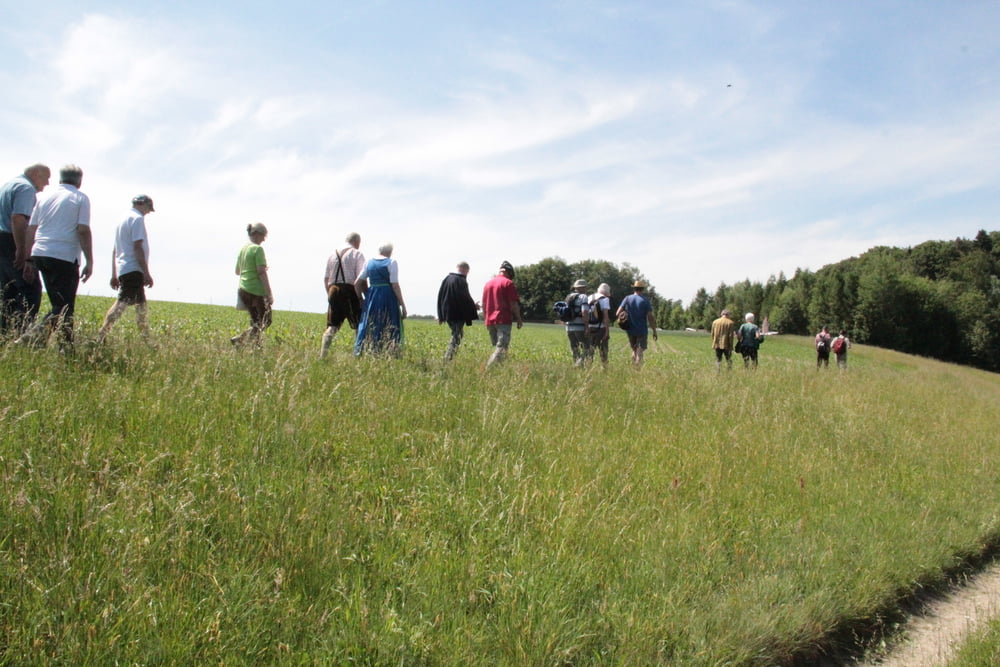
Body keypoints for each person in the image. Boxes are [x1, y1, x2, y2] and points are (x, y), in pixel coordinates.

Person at [16, 165, 92, 350]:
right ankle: (34, 339)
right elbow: (82, 230)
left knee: (59, 305)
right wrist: (89, 260)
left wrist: (28, 259)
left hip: (40, 253)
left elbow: (31, 229)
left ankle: (54, 346)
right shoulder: (80, 198)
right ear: (79, 181)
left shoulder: (44, 197)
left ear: (60, 179)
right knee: (65, 306)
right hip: (63, 256)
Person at [95, 195, 156, 343]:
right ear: (143, 205)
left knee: (141, 305)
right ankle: (100, 336)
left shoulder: (122, 219)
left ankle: (147, 340)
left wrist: (114, 274)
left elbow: (115, 250)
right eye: (148, 209)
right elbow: (137, 247)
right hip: (133, 268)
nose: (148, 212)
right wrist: (146, 272)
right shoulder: (137, 219)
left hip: (124, 268)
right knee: (121, 304)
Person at [0, 163, 49, 337]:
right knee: (31, 289)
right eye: (46, 178)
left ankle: (5, 334)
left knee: (8, 290)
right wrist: (22, 249)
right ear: (36, 174)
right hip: (12, 240)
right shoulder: (26, 189)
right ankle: (22, 336)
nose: (48, 183)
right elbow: (18, 219)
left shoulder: (9, 184)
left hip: (2, 240)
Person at [354, 242, 407, 357]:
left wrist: (359, 298)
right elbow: (395, 285)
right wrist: (403, 304)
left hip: (372, 296)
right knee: (389, 323)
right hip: (388, 296)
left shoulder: (369, 262)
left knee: (370, 323)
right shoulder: (392, 262)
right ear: (390, 252)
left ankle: (364, 351)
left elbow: (357, 283)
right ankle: (390, 352)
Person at [320, 232, 365, 357]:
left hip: (333, 289)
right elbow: (360, 279)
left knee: (332, 325)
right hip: (350, 290)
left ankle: (323, 354)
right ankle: (358, 355)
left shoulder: (332, 255)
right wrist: (361, 297)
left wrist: (329, 295)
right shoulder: (357, 254)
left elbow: (326, 279)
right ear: (356, 242)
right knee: (358, 325)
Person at [231, 222, 273, 349]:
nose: (264, 239)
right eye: (263, 236)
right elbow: (261, 272)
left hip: (243, 289)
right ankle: (242, 340)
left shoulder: (243, 249)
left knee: (256, 321)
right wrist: (269, 293)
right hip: (256, 290)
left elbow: (237, 271)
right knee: (266, 320)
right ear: (256, 234)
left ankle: (254, 345)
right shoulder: (257, 249)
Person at [481, 260, 523, 367]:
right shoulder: (508, 283)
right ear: (509, 272)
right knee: (502, 348)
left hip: (489, 321)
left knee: (498, 347)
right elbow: (513, 303)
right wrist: (518, 318)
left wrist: (486, 318)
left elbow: (484, 303)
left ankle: (499, 371)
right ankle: (488, 369)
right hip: (503, 319)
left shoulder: (488, 284)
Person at [436, 261, 479, 360]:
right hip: (457, 313)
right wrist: (473, 307)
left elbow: (440, 297)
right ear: (465, 269)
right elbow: (465, 298)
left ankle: (450, 357)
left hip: (447, 313)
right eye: (467, 272)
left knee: (457, 333)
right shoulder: (460, 280)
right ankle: (448, 358)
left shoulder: (447, 279)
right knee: (457, 335)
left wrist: (440, 314)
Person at [616, 280, 657, 366]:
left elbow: (617, 313)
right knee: (639, 352)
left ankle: (633, 369)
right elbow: (650, 317)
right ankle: (637, 371)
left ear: (634, 288)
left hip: (630, 330)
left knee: (634, 350)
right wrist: (654, 330)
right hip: (641, 330)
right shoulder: (645, 301)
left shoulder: (627, 298)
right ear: (642, 289)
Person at [563, 279, 592, 366]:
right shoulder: (583, 297)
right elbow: (584, 312)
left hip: (569, 327)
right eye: (585, 287)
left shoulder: (568, 297)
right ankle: (579, 364)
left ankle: (576, 365)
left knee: (574, 348)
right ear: (583, 288)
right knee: (587, 347)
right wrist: (586, 327)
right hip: (579, 326)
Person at [588, 283, 612, 366]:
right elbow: (606, 316)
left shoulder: (590, 297)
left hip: (590, 327)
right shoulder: (604, 299)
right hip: (601, 329)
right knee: (603, 351)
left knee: (590, 350)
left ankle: (588, 368)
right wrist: (607, 332)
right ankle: (604, 369)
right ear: (606, 292)